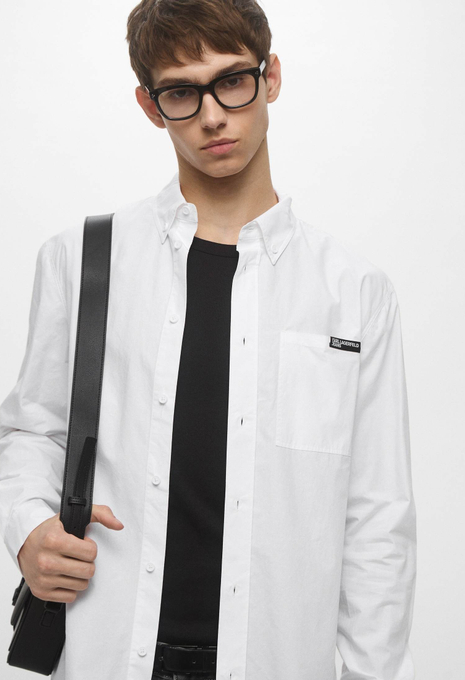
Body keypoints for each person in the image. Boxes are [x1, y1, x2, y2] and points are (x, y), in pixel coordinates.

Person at [0, 1, 417, 679]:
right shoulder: (82, 260)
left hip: (277, 661)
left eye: (232, 81)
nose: (213, 115)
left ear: (270, 76)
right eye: (181, 93)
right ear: (150, 105)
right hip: (114, 653)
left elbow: (377, 518)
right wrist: (28, 526)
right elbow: (32, 430)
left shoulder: (353, 290)